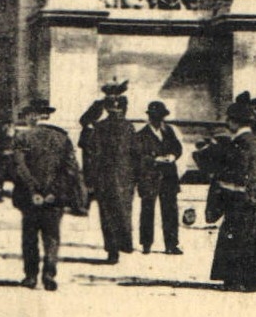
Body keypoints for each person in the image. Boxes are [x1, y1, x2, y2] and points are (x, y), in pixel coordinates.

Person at [8, 98, 85, 292]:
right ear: (47, 116)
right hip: (55, 197)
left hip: (28, 196)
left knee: (30, 235)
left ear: (32, 116)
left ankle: (31, 276)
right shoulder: (62, 138)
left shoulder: (22, 138)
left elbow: (19, 167)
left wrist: (34, 190)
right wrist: (53, 191)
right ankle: (49, 274)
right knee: (52, 236)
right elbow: (71, 170)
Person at [209, 100, 256, 293]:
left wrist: (219, 180)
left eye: (229, 120)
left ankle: (234, 279)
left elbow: (240, 171)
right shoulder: (255, 140)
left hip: (242, 197)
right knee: (254, 239)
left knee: (236, 237)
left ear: (234, 122)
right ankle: (251, 280)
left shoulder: (240, 142)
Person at [79, 81, 136, 264]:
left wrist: (90, 179)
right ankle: (124, 244)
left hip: (105, 177)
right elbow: (136, 154)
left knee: (108, 214)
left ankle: (113, 251)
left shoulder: (100, 128)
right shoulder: (129, 127)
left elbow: (92, 154)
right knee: (123, 211)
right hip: (125, 178)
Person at [131, 100, 184, 255]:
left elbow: (177, 148)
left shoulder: (169, 131)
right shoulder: (141, 135)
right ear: (150, 117)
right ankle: (146, 244)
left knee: (170, 211)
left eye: (160, 117)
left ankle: (171, 244)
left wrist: (173, 156)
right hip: (149, 177)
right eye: (155, 117)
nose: (158, 120)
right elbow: (137, 155)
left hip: (168, 176)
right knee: (148, 211)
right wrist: (154, 160)